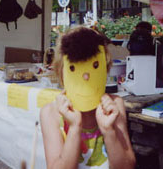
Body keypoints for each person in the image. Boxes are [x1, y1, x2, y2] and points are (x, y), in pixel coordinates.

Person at [40, 26, 136, 169]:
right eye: (74, 67)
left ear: (105, 68)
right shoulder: (51, 113)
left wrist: (109, 131)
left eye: (95, 65)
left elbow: (127, 166)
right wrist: (74, 128)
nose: (85, 76)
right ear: (61, 72)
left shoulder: (114, 106)